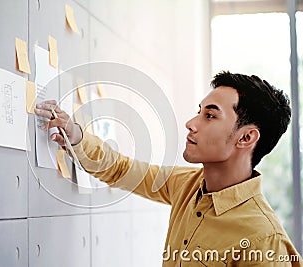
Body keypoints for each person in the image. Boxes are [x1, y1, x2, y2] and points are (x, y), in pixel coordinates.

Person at [35, 71, 303, 266]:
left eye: (209, 115)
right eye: (199, 111)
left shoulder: (264, 239)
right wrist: (76, 135)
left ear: (246, 138)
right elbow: (120, 169)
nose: (191, 122)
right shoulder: (185, 185)